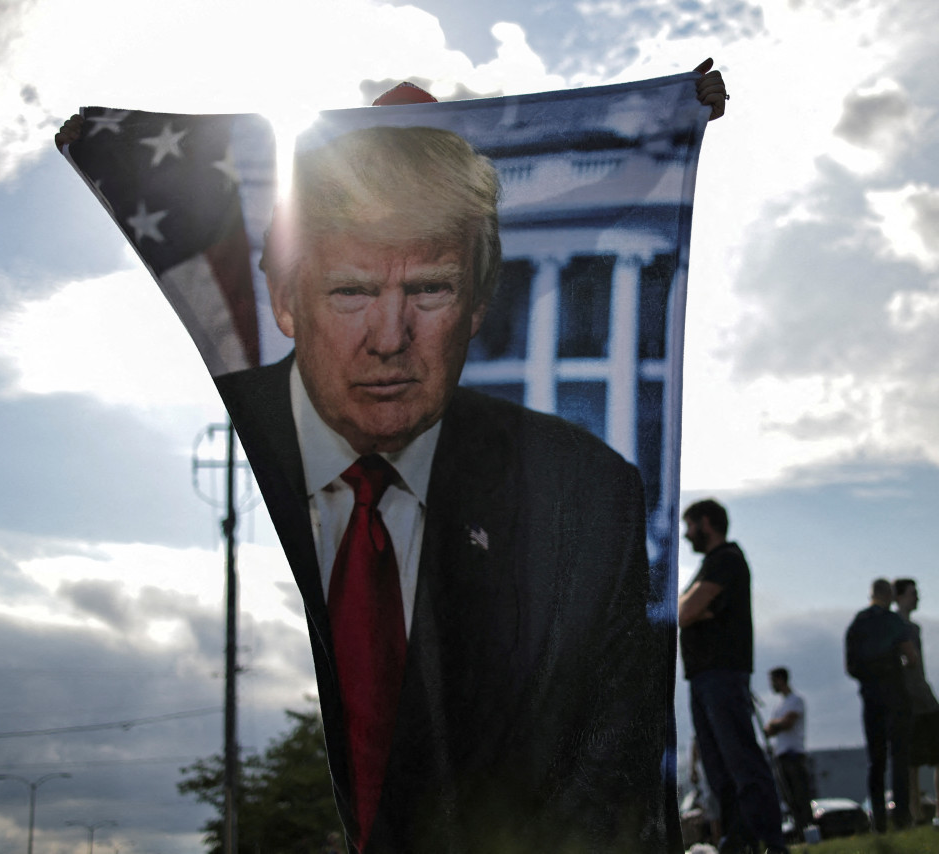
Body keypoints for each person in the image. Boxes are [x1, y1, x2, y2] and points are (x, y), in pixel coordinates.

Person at [55, 63, 729, 854]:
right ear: (284, 299)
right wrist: (111, 152)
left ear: (478, 303)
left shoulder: (582, 491)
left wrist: (681, 117)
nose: (388, 338)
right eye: (349, 293)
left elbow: (607, 745)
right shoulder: (272, 424)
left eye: (432, 291)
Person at [679, 499, 789, 854]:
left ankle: (770, 840)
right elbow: (688, 610)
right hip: (703, 676)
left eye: (690, 525)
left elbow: (683, 611)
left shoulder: (727, 559)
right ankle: (738, 841)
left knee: (741, 759)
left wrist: (695, 608)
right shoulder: (709, 566)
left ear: (707, 523)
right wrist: (695, 609)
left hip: (722, 673)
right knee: (718, 766)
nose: (686, 534)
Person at [844, 578, 917, 832]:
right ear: (889, 596)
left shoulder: (857, 623)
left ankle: (879, 820)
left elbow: (850, 667)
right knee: (899, 755)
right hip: (895, 694)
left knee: (876, 760)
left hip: (870, 695)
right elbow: (911, 656)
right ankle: (902, 816)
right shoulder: (893, 621)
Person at [892, 578, 939, 826]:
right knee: (911, 763)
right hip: (906, 702)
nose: (917, 597)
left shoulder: (915, 628)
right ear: (898, 596)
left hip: (925, 696)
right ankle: (917, 816)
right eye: (913, 593)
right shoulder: (891, 625)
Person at [763, 667, 811, 837]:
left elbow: (787, 723)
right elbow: (770, 730)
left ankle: (807, 829)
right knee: (789, 798)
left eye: (773, 681)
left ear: (781, 680)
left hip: (794, 754)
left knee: (800, 795)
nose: (771, 685)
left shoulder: (795, 700)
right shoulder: (779, 706)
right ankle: (799, 830)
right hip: (781, 755)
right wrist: (777, 724)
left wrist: (776, 725)